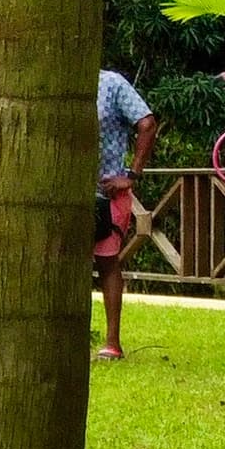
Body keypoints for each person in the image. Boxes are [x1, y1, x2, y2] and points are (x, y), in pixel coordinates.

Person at [92, 67, 159, 358]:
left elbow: (147, 123)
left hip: (107, 191)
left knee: (107, 262)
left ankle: (112, 341)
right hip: (68, 192)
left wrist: (131, 174)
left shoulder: (111, 83)